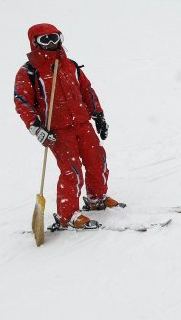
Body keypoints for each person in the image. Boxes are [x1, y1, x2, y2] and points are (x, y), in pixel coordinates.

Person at [14, 23, 118, 229]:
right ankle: (67, 214)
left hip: (81, 123)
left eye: (55, 37)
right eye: (45, 39)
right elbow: (22, 102)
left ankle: (96, 199)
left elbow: (87, 91)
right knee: (72, 171)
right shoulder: (30, 72)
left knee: (97, 160)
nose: (52, 43)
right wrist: (37, 128)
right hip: (57, 131)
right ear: (35, 43)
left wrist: (98, 116)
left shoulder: (70, 65)